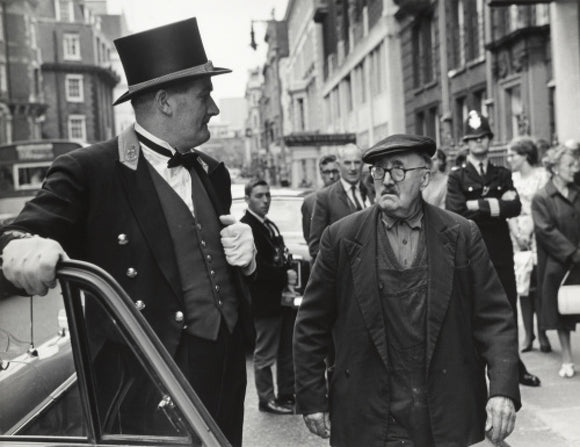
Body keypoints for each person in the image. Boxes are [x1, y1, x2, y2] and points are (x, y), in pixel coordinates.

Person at [0, 18, 256, 446]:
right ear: (165, 102)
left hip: (226, 361)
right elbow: (20, 235)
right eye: (204, 95)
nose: (213, 109)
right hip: (147, 376)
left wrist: (248, 258)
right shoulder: (89, 171)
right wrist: (20, 246)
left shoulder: (213, 172)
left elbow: (216, 266)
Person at [293, 133, 520, 446]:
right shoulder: (341, 239)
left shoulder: (462, 234)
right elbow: (311, 324)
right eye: (378, 171)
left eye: (398, 170)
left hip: (442, 409)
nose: (386, 180)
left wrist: (502, 392)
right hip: (367, 411)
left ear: (424, 177)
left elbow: (494, 319)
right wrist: (312, 397)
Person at [446, 110, 541, 388]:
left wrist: (479, 204)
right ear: (467, 143)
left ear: (489, 139)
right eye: (473, 138)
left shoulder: (502, 173)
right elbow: (458, 212)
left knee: (507, 308)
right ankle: (475, 367)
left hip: (500, 252)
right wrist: (495, 203)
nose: (478, 142)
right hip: (471, 253)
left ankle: (512, 368)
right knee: (471, 310)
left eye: (483, 137)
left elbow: (516, 207)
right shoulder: (457, 177)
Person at [240, 178, 295, 415]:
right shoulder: (247, 226)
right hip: (263, 302)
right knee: (264, 353)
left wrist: (288, 266)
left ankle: (287, 395)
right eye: (259, 196)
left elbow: (280, 254)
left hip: (280, 299)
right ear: (247, 199)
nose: (265, 200)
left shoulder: (268, 225)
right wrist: (285, 276)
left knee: (286, 350)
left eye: (268, 195)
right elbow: (256, 268)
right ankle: (266, 399)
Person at [532, 145, 580, 378]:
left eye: (575, 164)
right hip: (559, 263)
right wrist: (572, 253)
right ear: (555, 168)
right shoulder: (542, 197)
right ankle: (567, 360)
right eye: (570, 165)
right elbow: (545, 231)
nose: (575, 168)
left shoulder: (578, 191)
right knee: (563, 312)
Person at [506, 137, 551, 353]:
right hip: (518, 234)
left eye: (512, 155)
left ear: (525, 155)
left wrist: (531, 229)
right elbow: (508, 207)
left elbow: (543, 204)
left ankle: (542, 332)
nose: (509, 159)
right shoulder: (511, 178)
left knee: (539, 283)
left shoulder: (542, 176)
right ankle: (528, 335)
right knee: (522, 285)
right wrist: (516, 231)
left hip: (538, 231)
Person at [308, 143, 370, 259]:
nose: (353, 168)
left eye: (357, 162)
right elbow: (315, 247)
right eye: (347, 163)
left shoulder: (372, 193)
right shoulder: (325, 197)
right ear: (339, 165)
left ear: (362, 165)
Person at [301, 154, 340, 243]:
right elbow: (309, 235)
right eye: (327, 172)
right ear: (321, 174)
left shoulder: (349, 197)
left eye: (334, 171)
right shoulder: (310, 201)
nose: (331, 176)